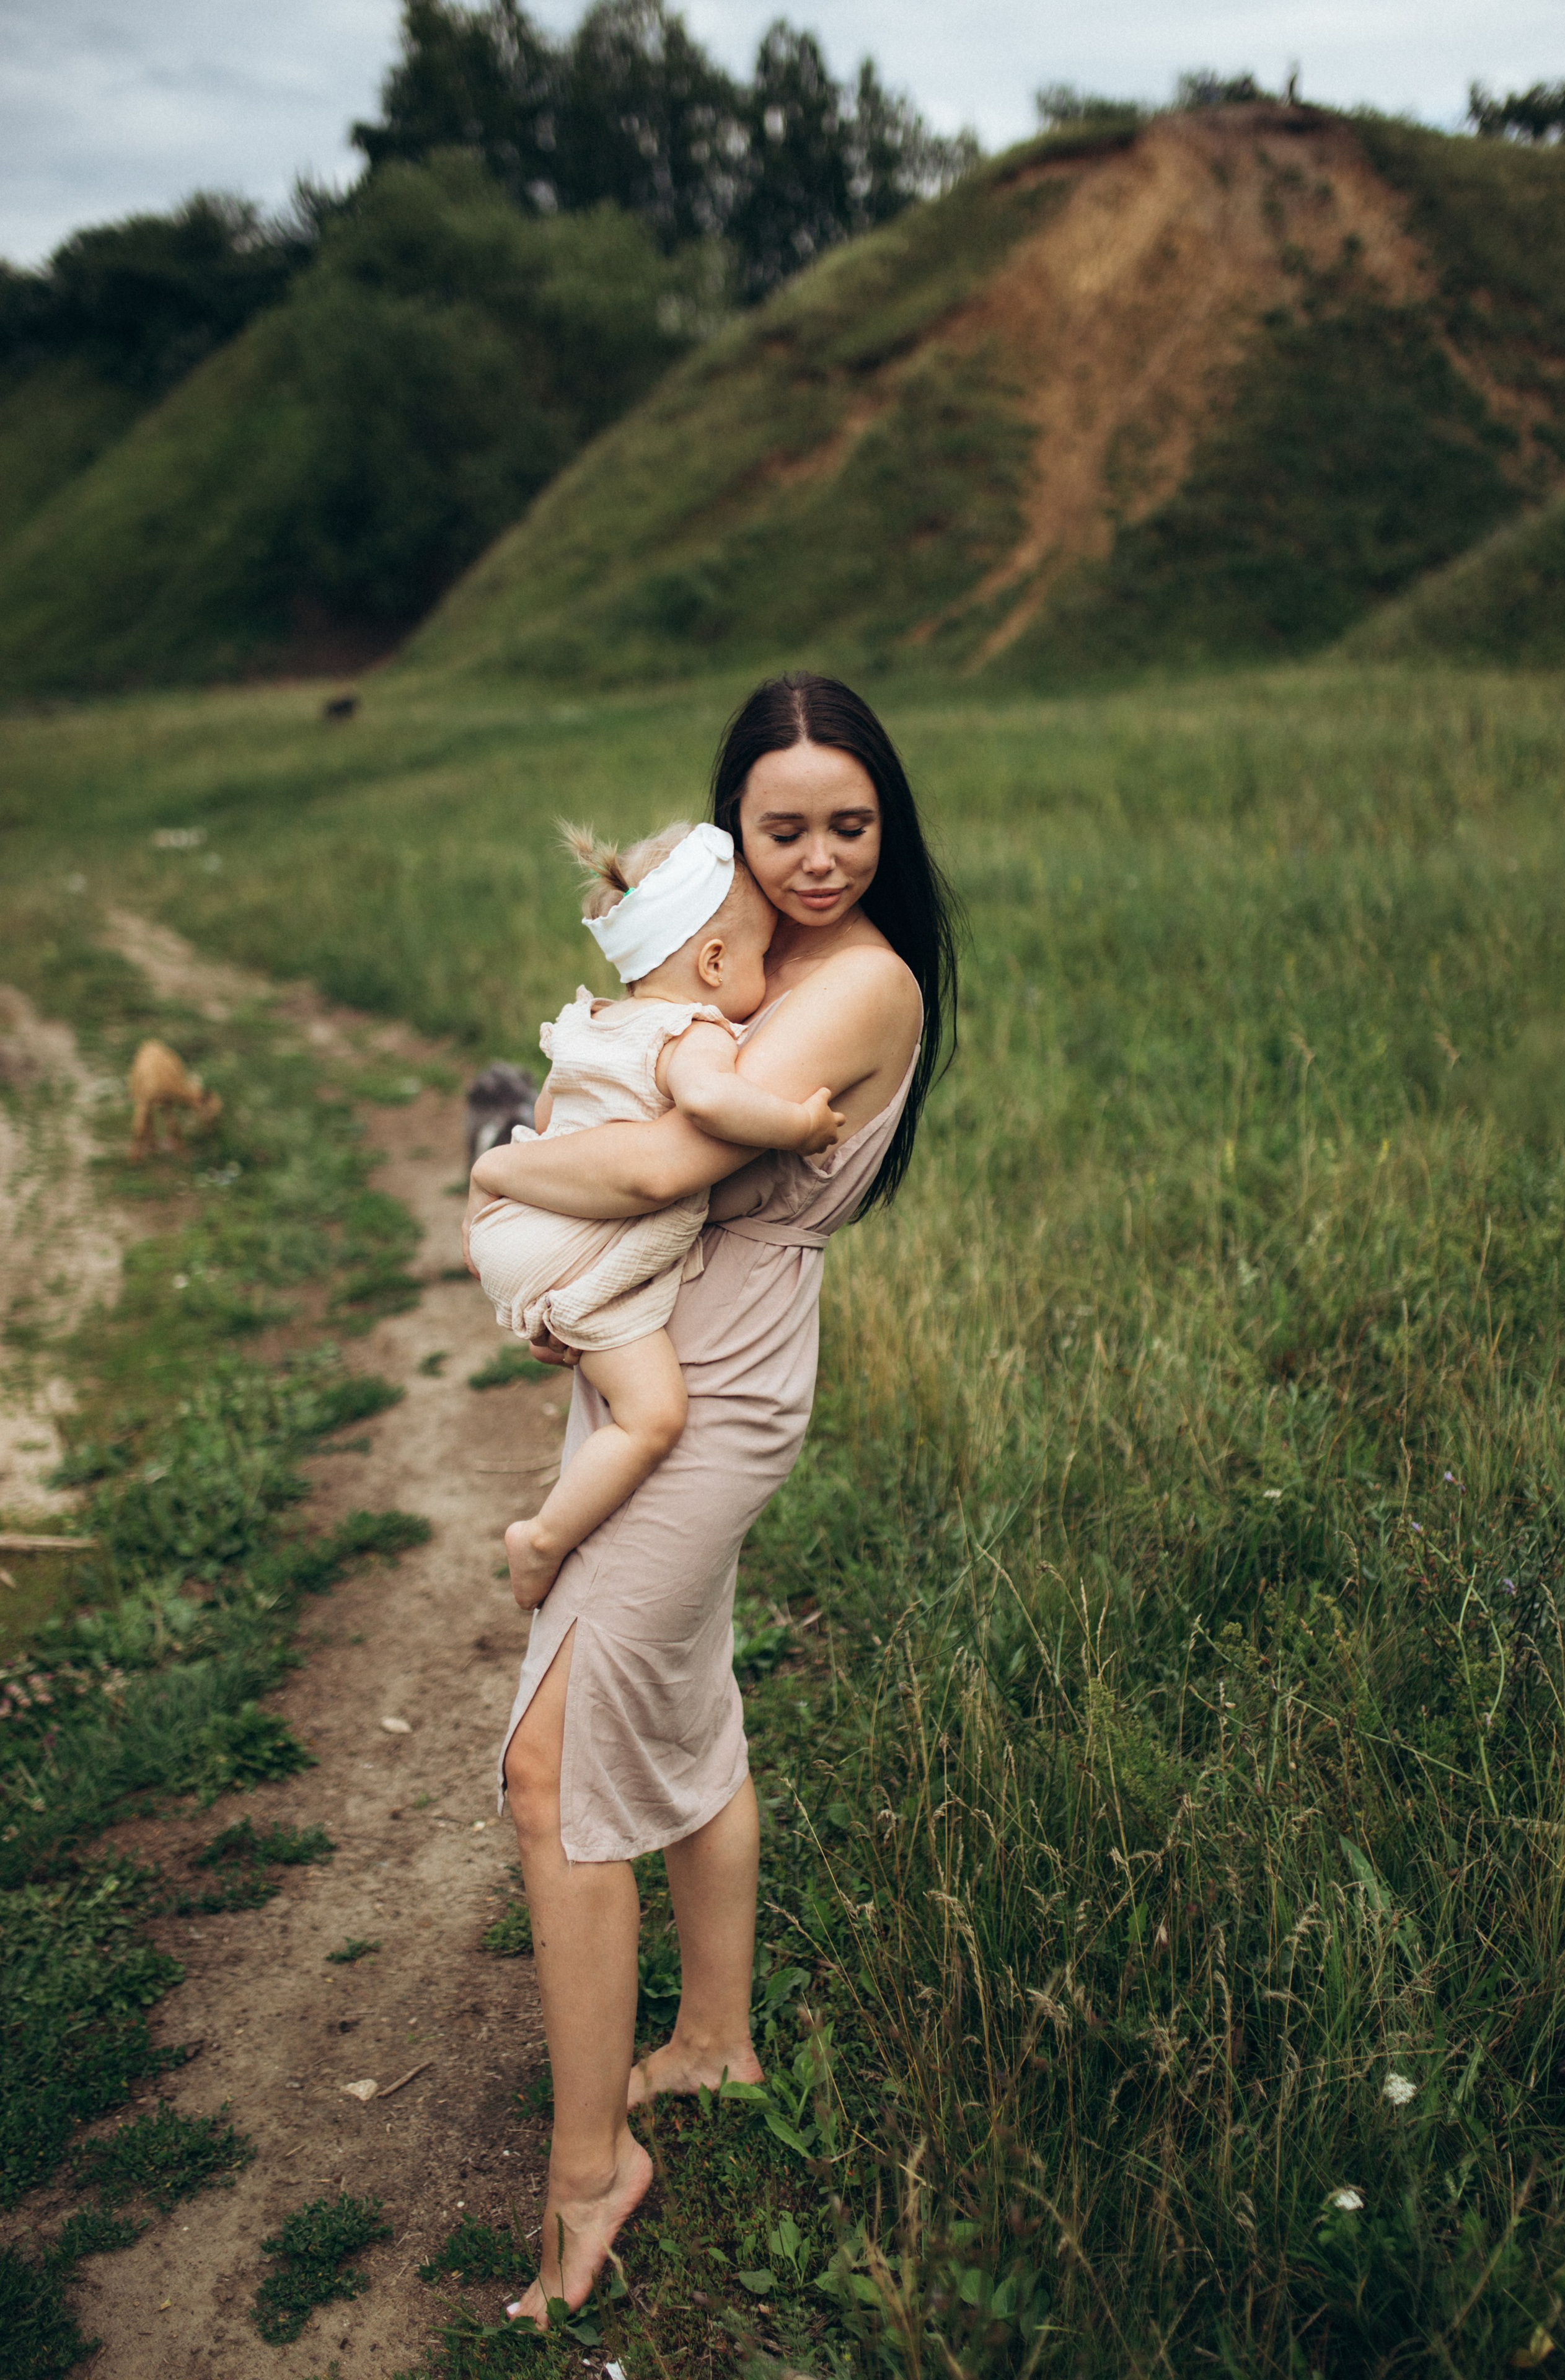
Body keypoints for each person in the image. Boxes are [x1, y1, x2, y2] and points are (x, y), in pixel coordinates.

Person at [462, 671, 958, 2327]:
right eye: (787, 828)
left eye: (852, 824)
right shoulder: (753, 955)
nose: (821, 859)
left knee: (551, 1766)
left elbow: (672, 1164)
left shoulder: (857, 984)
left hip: (714, 1388)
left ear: (892, 824)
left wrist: (505, 1166)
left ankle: (593, 2167)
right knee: (674, 1694)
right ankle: (714, 2043)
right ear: (737, 830)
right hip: (678, 1364)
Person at [469, 817, 845, 1608]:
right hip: (572, 1248)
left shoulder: (594, 1023)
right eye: (759, 958)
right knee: (653, 1417)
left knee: (614, 1372)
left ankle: (558, 1315)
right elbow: (709, 1103)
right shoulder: (690, 1033)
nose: (768, 980)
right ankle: (540, 1540)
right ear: (713, 962)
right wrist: (798, 1127)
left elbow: (543, 1121)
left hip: (514, 1225)